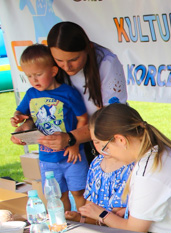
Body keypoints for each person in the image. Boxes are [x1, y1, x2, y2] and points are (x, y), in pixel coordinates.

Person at [78, 103, 171, 233]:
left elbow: (135, 230)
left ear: (120, 140)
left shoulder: (150, 169)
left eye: (106, 148)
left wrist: (102, 214)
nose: (107, 154)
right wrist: (130, 211)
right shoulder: (155, 154)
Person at [10, 44, 87, 211]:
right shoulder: (31, 93)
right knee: (58, 195)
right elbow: (21, 112)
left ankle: (86, 222)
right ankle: (66, 223)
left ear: (53, 71)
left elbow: (83, 118)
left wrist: (74, 143)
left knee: (78, 192)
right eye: (29, 76)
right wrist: (17, 119)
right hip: (47, 158)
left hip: (71, 155)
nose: (34, 80)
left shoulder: (68, 93)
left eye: (38, 74)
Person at [43, 21, 127, 157]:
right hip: (74, 139)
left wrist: (71, 138)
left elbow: (111, 117)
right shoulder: (52, 65)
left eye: (73, 59)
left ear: (88, 48)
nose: (66, 66)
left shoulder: (107, 62)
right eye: (59, 60)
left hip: (106, 139)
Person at [67, 146, 133, 225]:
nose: (102, 147)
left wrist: (81, 219)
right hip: (96, 223)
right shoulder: (96, 162)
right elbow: (89, 205)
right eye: (97, 142)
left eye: (106, 142)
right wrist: (81, 216)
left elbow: (116, 217)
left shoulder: (129, 168)